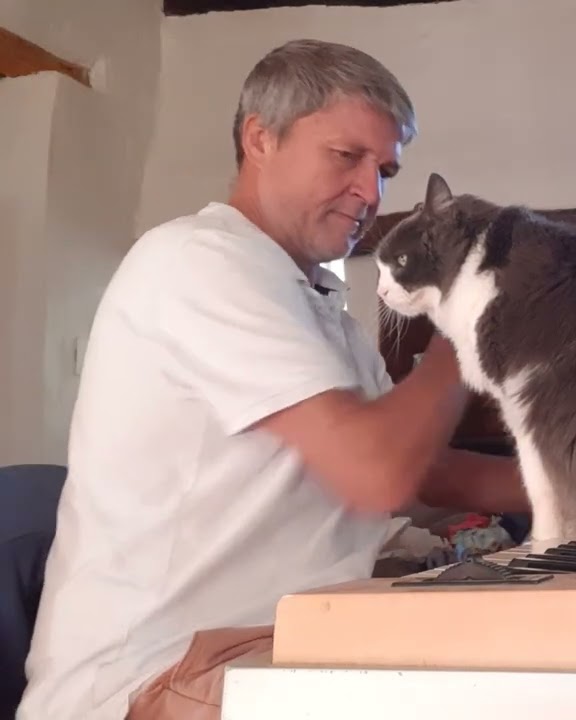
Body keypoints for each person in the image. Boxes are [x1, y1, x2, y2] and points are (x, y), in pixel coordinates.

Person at [16, 39, 529, 720]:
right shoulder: (199, 261)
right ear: (260, 138)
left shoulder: (318, 306)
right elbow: (377, 471)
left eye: (385, 170)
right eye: (346, 156)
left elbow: (418, 473)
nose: (372, 192)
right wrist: (467, 319)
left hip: (276, 650)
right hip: (156, 678)